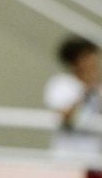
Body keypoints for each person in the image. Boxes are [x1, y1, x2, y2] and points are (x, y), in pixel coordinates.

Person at [43, 35, 102, 163]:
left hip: (94, 159)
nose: (93, 61)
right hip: (66, 158)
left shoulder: (98, 88)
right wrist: (86, 93)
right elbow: (65, 117)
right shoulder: (60, 84)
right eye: (86, 56)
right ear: (74, 62)